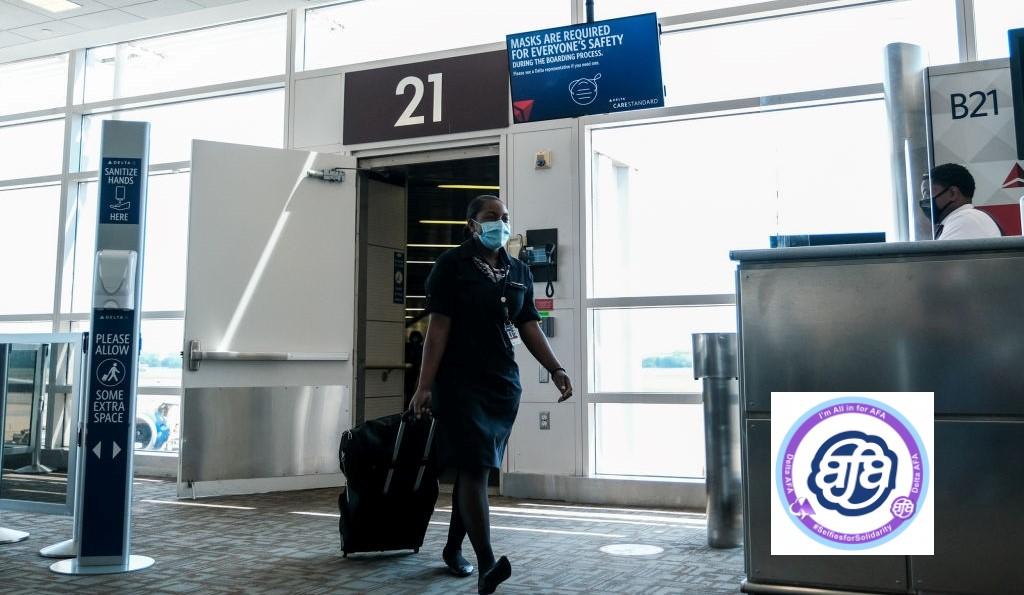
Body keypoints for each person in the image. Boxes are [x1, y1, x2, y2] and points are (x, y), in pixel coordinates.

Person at [409, 195, 573, 595]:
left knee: (475, 468)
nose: (500, 224)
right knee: (477, 465)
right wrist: (424, 385)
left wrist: (555, 368)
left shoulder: (519, 270)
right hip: (459, 381)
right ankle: (486, 563)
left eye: (505, 218)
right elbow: (438, 330)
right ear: (472, 225)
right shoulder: (452, 266)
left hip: (501, 385)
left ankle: (452, 549)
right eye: (490, 218)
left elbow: (529, 324)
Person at [919, 163, 1002, 240]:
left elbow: (938, 256)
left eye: (927, 193)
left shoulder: (965, 220)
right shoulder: (961, 219)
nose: (924, 200)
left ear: (952, 193)